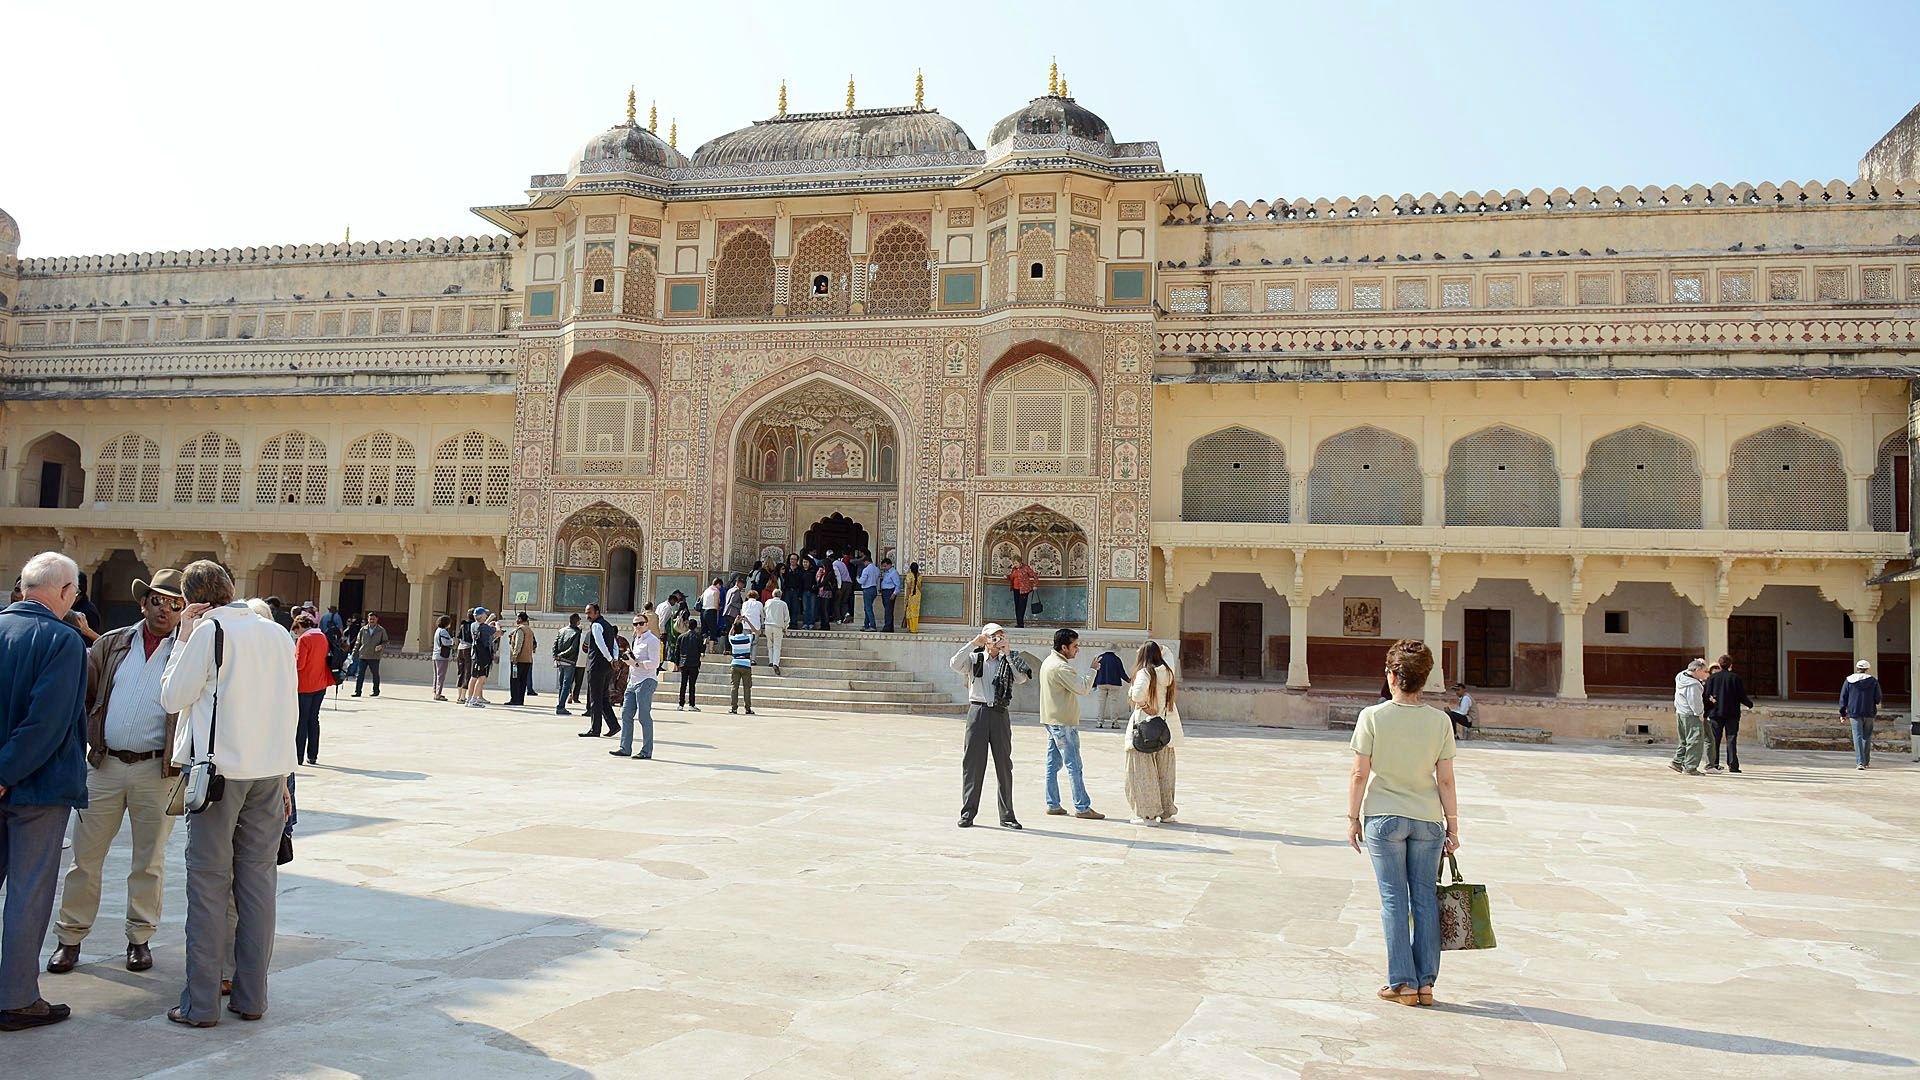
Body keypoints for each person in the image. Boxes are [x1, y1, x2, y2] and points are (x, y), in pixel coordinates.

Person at [158, 560, 297, 1028]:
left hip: (219, 777)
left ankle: (199, 1005)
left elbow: (172, 698)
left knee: (208, 884)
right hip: (269, 773)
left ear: (194, 600)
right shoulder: (276, 632)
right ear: (233, 589)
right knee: (258, 885)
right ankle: (251, 997)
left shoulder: (209, 631)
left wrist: (183, 635)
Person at [47, 567, 184, 980]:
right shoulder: (111, 644)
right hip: (104, 766)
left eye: (175, 603)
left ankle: (139, 938)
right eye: (157, 600)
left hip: (156, 770)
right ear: (143, 603)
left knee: (149, 862)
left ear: (183, 609)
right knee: (85, 859)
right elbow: (86, 694)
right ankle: (69, 938)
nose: (165, 609)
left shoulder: (186, 651)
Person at [0, 553, 88, 1031]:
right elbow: (46, 724)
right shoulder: (62, 640)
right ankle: (15, 997)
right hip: (36, 788)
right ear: (62, 592)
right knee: (29, 895)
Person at [1346, 638, 1459, 1009]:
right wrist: (1453, 825)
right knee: (1425, 898)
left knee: (1394, 900)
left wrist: (1351, 818)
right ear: (1424, 678)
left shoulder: (1373, 717)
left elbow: (1359, 774)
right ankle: (1426, 983)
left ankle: (1403, 983)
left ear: (1393, 676)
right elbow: (1445, 779)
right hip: (1428, 819)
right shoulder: (1440, 721)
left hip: (1384, 817)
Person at [950, 624, 1031, 829]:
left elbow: (1021, 678)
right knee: (973, 765)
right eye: (994, 636)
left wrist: (1008, 654)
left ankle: (1007, 815)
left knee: (1004, 765)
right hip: (977, 712)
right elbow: (954, 664)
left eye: (1001, 636)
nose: (998, 640)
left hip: (999, 713)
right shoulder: (975, 658)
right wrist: (972, 644)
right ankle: (968, 813)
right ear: (985, 639)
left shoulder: (1009, 659)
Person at [1040, 628, 1103, 820]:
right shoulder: (1061, 667)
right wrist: (1093, 670)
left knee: (1053, 764)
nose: (1077, 649)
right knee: (1074, 765)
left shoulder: (1049, 662)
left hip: (1052, 719)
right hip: (1063, 722)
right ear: (1063, 647)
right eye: (1075, 646)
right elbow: (1083, 688)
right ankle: (1082, 807)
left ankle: (1053, 804)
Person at [1124, 640, 1184, 825]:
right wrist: (1160, 649)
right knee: (1165, 773)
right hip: (1165, 729)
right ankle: (1166, 812)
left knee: (1143, 772)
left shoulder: (1145, 672)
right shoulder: (1167, 672)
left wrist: (1143, 705)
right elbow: (1169, 655)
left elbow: (1137, 694)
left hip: (1145, 727)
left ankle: (1148, 814)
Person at [613, 614, 662, 760]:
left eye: (641, 623)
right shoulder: (636, 639)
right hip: (633, 681)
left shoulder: (652, 640)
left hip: (646, 681)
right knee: (626, 714)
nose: (638, 626)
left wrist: (635, 663)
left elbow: (655, 663)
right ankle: (625, 748)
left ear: (647, 624)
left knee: (644, 716)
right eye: (635, 624)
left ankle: (646, 751)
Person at [293, 613, 333, 765]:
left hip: (304, 685)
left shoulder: (304, 639)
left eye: (297, 630)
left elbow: (299, 665)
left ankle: (298, 756)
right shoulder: (322, 636)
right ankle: (313, 755)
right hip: (320, 683)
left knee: (301, 720)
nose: (297, 633)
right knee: (313, 719)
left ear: (300, 626)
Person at [1703, 654, 1753, 773]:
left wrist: (1706, 710)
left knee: (1715, 738)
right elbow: (1741, 695)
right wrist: (1749, 704)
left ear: (1719, 665)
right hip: (1732, 713)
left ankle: (1714, 763)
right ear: (1730, 665)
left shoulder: (1712, 678)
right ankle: (1733, 765)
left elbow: (1706, 695)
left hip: (1715, 712)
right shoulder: (1735, 678)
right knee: (1731, 738)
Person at [579, 603, 619, 737]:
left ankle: (595, 729)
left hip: (597, 666)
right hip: (607, 667)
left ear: (597, 612)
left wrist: (610, 658)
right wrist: (614, 658)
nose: (587, 616)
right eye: (586, 613)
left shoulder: (596, 625)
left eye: (589, 613)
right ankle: (613, 725)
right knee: (603, 698)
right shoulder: (607, 625)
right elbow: (615, 644)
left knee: (595, 699)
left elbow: (600, 643)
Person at [1840, 660, 1883, 770]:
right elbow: (1878, 698)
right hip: (1869, 712)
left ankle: (1859, 762)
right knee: (1866, 737)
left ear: (1857, 667)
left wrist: (1842, 713)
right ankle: (1866, 761)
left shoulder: (1849, 680)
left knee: (1857, 736)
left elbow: (1843, 697)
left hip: (1854, 712)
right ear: (1867, 669)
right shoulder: (1873, 681)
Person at [1669, 658, 1708, 776]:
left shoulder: (1681, 676)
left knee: (1684, 740)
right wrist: (1700, 714)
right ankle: (1690, 767)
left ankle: (1677, 761)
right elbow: (1694, 701)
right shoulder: (1694, 684)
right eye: (1703, 671)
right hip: (1691, 715)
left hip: (1681, 712)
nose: (1705, 674)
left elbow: (1691, 669)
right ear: (1696, 670)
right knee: (1695, 740)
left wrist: (1702, 663)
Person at [351, 612, 388, 697]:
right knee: (360, 674)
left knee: (375, 674)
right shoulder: (363, 629)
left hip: (374, 656)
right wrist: (354, 653)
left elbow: (386, 641)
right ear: (368, 619)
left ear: (377, 619)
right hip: (363, 655)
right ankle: (358, 692)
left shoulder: (381, 630)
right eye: (370, 619)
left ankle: (376, 691)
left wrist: (381, 646)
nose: (371, 620)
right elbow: (358, 642)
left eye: (373, 619)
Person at [552, 613, 582, 716]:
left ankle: (560, 705)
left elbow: (554, 645)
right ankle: (561, 706)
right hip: (569, 661)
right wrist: (561, 655)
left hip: (560, 661)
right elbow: (573, 648)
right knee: (566, 685)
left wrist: (556, 655)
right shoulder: (576, 632)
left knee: (561, 684)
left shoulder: (561, 630)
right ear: (577, 621)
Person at [466, 608, 497, 708]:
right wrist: (497, 624)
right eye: (485, 614)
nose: (486, 616)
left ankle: (469, 699)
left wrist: (488, 621)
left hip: (475, 655)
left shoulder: (473, 625)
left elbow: (482, 626)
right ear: (481, 615)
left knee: (473, 677)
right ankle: (474, 700)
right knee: (482, 678)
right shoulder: (483, 627)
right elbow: (496, 632)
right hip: (482, 656)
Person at [1092, 644, 1129, 725]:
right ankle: (1114, 722)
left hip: (1101, 683)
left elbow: (1095, 672)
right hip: (1114, 683)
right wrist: (1128, 680)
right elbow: (1121, 673)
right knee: (1114, 703)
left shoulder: (1100, 658)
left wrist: (1093, 684)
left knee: (1101, 703)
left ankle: (1099, 722)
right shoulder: (1117, 659)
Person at [674, 614, 704, 711]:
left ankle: (681, 704)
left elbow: (677, 651)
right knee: (692, 684)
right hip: (694, 663)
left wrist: (677, 663)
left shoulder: (681, 637)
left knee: (683, 684)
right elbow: (701, 649)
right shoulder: (698, 637)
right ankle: (691, 704)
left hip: (683, 663)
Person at [728, 618, 756, 715]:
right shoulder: (748, 638)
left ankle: (734, 708)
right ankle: (747, 708)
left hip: (735, 663)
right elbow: (755, 631)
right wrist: (747, 621)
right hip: (746, 664)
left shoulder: (733, 639)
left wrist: (734, 623)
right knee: (747, 687)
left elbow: (730, 634)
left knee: (734, 687)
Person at [507, 613, 535, 707]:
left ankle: (514, 699)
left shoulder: (520, 629)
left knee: (515, 680)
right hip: (527, 660)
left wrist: (515, 656)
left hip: (519, 660)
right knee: (523, 681)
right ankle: (520, 699)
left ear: (520, 619)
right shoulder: (529, 630)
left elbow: (519, 643)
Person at [763, 588, 791, 675]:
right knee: (777, 646)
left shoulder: (768, 602)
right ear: (781, 595)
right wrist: (786, 626)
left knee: (770, 644)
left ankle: (771, 661)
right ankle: (775, 663)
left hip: (768, 625)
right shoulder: (783, 604)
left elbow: (764, 612)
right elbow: (787, 617)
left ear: (772, 595)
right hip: (778, 626)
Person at [1008, 557, 1039, 629]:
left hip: (1024, 590)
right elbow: (1011, 577)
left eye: (1016, 563)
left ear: (1020, 562)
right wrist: (1007, 577)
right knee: (1017, 606)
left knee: (1021, 606)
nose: (1015, 565)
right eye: (1014, 563)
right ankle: (1019, 622)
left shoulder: (1026, 568)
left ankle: (1021, 624)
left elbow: (1035, 576)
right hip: (1016, 589)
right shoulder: (1014, 569)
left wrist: (1035, 585)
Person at [429, 616, 454, 701]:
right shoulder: (443, 631)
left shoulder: (437, 630)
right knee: (441, 676)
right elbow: (445, 642)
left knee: (436, 675)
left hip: (435, 655)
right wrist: (452, 641)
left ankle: (435, 692)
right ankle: (438, 693)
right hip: (442, 656)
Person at [453, 612, 474, 704]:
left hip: (460, 649)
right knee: (467, 672)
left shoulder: (463, 625)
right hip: (468, 649)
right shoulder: (473, 625)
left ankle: (459, 695)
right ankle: (463, 696)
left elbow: (459, 636)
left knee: (460, 672)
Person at [858, 555, 881, 631]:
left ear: (866, 561)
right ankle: (866, 625)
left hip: (867, 590)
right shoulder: (877, 569)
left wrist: (857, 579)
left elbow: (862, 581)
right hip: (874, 589)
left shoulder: (866, 570)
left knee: (868, 608)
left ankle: (873, 625)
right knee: (868, 608)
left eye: (864, 562)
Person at [879, 558, 902, 633]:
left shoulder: (894, 573)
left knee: (888, 610)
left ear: (889, 565)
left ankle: (887, 627)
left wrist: (894, 594)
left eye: (885, 566)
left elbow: (898, 585)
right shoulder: (887, 573)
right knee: (887, 610)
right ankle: (890, 627)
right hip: (885, 592)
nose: (884, 568)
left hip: (890, 592)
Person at [814, 558, 836, 631]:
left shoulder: (830, 573)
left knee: (825, 609)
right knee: (822, 609)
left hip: (827, 592)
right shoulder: (824, 572)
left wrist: (816, 587)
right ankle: (822, 624)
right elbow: (820, 581)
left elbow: (825, 582)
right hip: (822, 592)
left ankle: (826, 625)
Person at [833, 552, 854, 624]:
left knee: (837, 602)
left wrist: (839, 588)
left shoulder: (834, 564)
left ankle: (838, 619)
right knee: (844, 602)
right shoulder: (842, 564)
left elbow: (838, 575)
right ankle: (847, 614)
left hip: (842, 584)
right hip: (849, 584)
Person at [903, 562, 924, 634]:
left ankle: (911, 628)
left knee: (909, 612)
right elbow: (920, 587)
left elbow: (908, 587)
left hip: (911, 596)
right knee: (915, 612)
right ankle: (915, 629)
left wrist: (907, 597)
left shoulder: (909, 576)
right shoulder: (920, 576)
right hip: (917, 596)